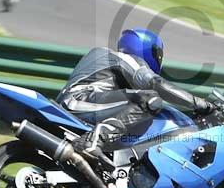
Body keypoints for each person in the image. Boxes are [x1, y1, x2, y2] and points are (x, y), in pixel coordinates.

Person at [57, 28, 214, 169]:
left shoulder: (109, 62)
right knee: (150, 99)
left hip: (76, 104)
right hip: (80, 102)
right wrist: (201, 105)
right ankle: (94, 141)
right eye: (157, 54)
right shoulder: (123, 58)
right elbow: (156, 83)